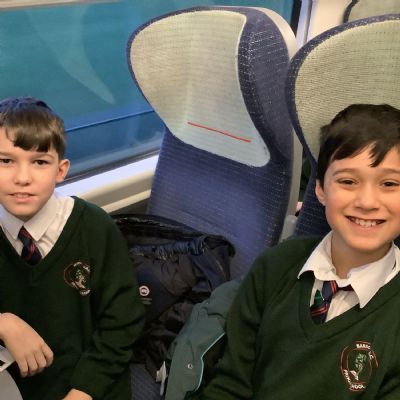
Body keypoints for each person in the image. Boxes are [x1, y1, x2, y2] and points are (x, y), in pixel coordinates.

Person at [197, 103, 400, 399]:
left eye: (389, 183)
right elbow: (230, 382)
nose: (367, 202)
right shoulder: (275, 266)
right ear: (320, 190)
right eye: (348, 181)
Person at [0, 97, 145, 400]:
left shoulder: (94, 227)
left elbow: (123, 319)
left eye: (40, 162)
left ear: (61, 170)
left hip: (88, 381)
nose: (22, 178)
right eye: (5, 161)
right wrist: (3, 323)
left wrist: (84, 390)